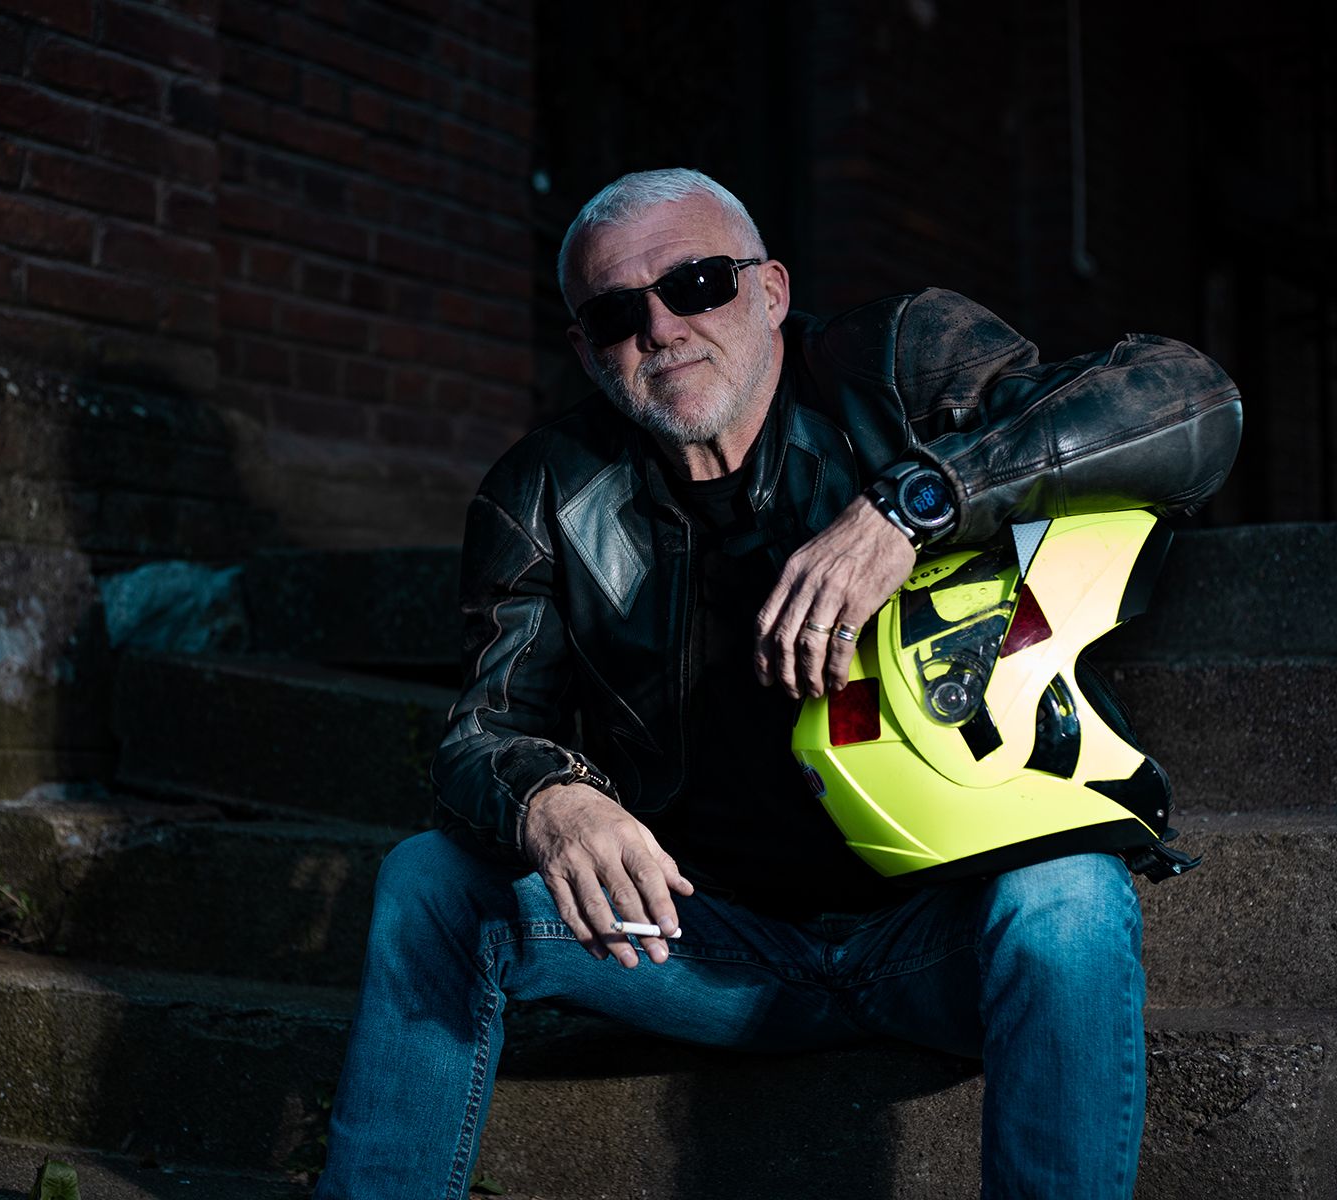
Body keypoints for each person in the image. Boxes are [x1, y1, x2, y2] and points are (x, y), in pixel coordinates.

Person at [316, 168, 1242, 1200]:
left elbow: (1187, 402)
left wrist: (915, 504)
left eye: (699, 282)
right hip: (701, 941)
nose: (662, 328)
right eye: (618, 313)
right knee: (428, 883)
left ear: (771, 291)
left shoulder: (895, 367)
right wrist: (550, 798)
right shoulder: (542, 490)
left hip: (946, 926)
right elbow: (479, 735)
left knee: (1070, 895)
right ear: (585, 348)